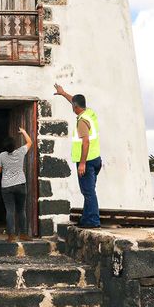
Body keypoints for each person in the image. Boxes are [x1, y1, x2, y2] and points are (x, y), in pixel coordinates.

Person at [54, 83, 102, 228]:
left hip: (86, 161)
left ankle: (92, 221)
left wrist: (82, 163)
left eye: (72, 105)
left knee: (88, 192)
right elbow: (74, 100)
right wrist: (63, 93)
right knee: (89, 191)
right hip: (96, 159)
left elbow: (85, 142)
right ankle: (86, 219)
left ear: (75, 107)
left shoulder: (82, 121)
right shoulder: (90, 113)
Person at [0, 127, 33, 242]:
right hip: (20, 184)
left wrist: (6, 169)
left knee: (10, 211)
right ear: (14, 145)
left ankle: (11, 236)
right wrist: (24, 132)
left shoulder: (2, 155)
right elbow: (30, 142)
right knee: (21, 210)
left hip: (7, 186)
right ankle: (24, 234)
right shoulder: (20, 152)